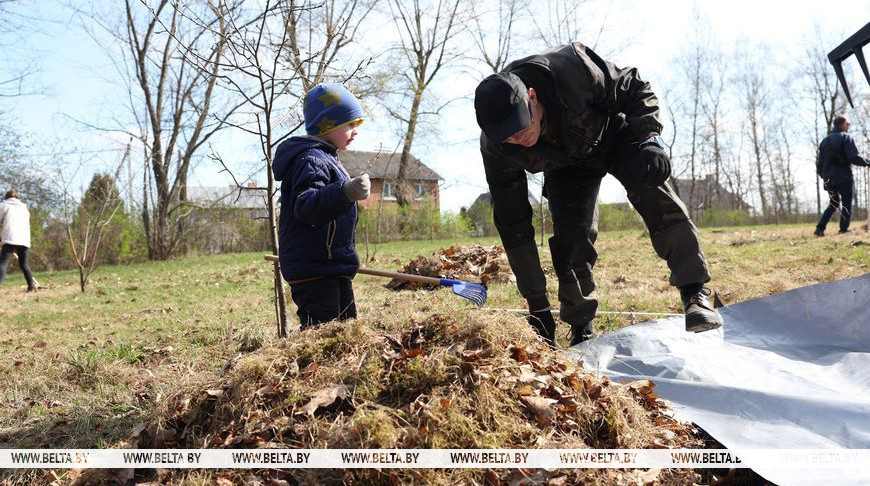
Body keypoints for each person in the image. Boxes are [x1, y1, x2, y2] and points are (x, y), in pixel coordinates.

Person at [473, 42, 722, 347]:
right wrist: (537, 305)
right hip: (567, 167)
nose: (518, 140)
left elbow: (634, 86)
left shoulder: (572, 69)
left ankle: (694, 292)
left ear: (532, 97)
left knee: (654, 189)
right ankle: (581, 329)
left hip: (612, 133)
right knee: (571, 243)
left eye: (521, 128)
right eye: (509, 137)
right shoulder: (497, 148)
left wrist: (650, 138)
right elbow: (513, 225)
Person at [272, 83, 370, 329]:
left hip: (331, 266)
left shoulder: (327, 158)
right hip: (314, 268)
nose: (355, 131)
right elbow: (306, 206)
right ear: (329, 125)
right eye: (350, 124)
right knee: (321, 333)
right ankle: (311, 368)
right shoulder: (311, 160)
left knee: (346, 331)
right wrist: (345, 191)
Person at [814, 114, 869, 236]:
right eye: (848, 124)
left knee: (834, 203)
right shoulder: (845, 138)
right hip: (843, 177)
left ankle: (820, 228)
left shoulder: (824, 141)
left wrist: (824, 176)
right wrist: (867, 162)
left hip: (829, 179)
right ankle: (843, 229)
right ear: (843, 124)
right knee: (846, 203)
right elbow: (853, 157)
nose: (849, 126)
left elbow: (819, 164)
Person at [0, 190, 36, 291]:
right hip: (24, 239)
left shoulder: (4, 205)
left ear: (6, 197)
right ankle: (31, 286)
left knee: (3, 263)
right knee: (23, 264)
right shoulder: (24, 209)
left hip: (10, 238)